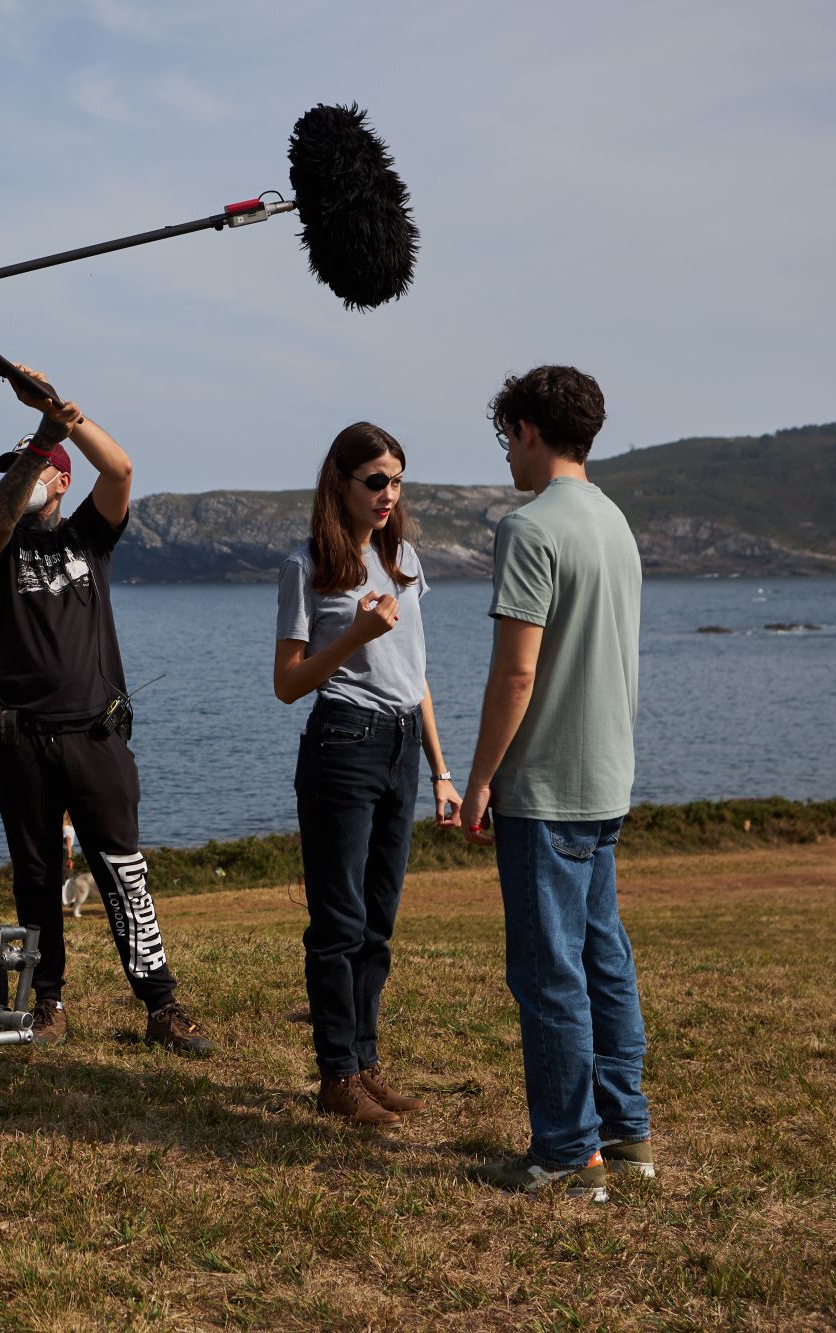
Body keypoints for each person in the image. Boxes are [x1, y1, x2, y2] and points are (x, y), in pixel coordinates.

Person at [0, 366, 212, 1055]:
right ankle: (47, 1001)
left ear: (64, 480)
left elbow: (123, 467)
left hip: (95, 734)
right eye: (17, 469)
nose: (27, 477)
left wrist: (65, 423)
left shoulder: (88, 537)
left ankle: (160, 1002)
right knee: (37, 871)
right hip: (21, 738)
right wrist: (39, 442)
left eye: (41, 470)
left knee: (121, 865)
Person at [459, 366, 651, 1203]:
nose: (506, 452)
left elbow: (515, 675)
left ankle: (570, 1154)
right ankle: (626, 1130)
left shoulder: (530, 528)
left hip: (544, 784)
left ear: (531, 430)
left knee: (550, 971)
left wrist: (478, 779)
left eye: (507, 435)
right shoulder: (615, 522)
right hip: (607, 775)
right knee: (603, 956)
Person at [274, 422, 462, 1124]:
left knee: (378, 921)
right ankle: (336, 1075)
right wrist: (354, 634)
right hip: (343, 743)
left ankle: (366, 1061)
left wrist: (443, 771)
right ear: (341, 483)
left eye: (398, 480)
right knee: (339, 920)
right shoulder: (306, 565)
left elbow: (417, 676)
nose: (390, 493)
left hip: (402, 745)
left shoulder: (403, 556)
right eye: (376, 480)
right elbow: (287, 683)